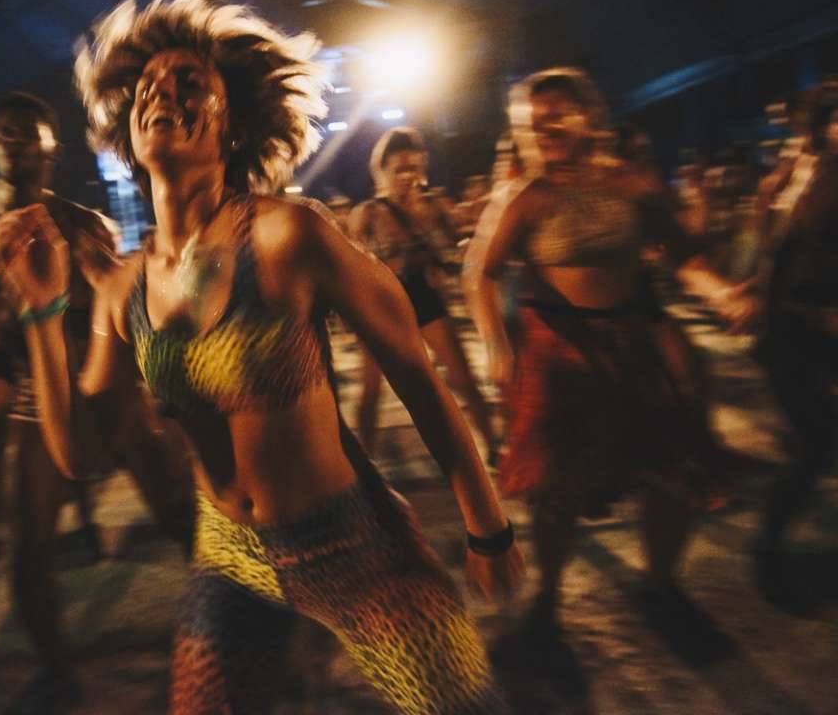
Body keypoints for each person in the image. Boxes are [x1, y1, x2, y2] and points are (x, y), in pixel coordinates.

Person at [0, 0, 522, 714]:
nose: (162, 94)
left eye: (190, 84)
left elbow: (416, 377)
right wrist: (42, 313)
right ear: (126, 127)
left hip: (352, 549)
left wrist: (487, 527)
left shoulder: (287, 236)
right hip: (230, 559)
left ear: (232, 126)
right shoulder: (124, 290)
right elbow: (79, 455)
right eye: (146, 87)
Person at [466, 68, 751, 628]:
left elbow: (685, 256)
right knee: (559, 490)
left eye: (557, 116)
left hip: (633, 346)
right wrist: (495, 344)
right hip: (557, 354)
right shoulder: (524, 196)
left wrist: (722, 292)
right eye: (532, 122)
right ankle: (548, 591)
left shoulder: (633, 184)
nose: (544, 127)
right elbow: (480, 273)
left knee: (671, 473)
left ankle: (661, 580)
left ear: (591, 118)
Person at [0, 92, 195, 687]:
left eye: (25, 132)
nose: (12, 140)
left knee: (182, 518)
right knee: (27, 551)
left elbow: (126, 307)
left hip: (112, 392)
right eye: (2, 131)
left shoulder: (84, 223)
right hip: (38, 399)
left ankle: (239, 627)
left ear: (50, 147)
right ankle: (61, 677)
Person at [737, 83, 838, 608]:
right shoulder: (802, 177)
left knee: (815, 439)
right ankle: (769, 554)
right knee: (814, 440)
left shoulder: (808, 175)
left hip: (808, 327)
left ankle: (771, 550)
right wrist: (756, 292)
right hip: (794, 331)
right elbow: (782, 253)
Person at [349, 128, 496, 460]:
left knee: (464, 378)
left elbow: (454, 255)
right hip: (381, 306)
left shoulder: (434, 206)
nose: (407, 176)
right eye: (399, 169)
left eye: (413, 168)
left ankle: (493, 447)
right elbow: (351, 264)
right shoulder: (368, 213)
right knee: (370, 390)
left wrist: (438, 254)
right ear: (382, 169)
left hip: (425, 298)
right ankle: (364, 464)